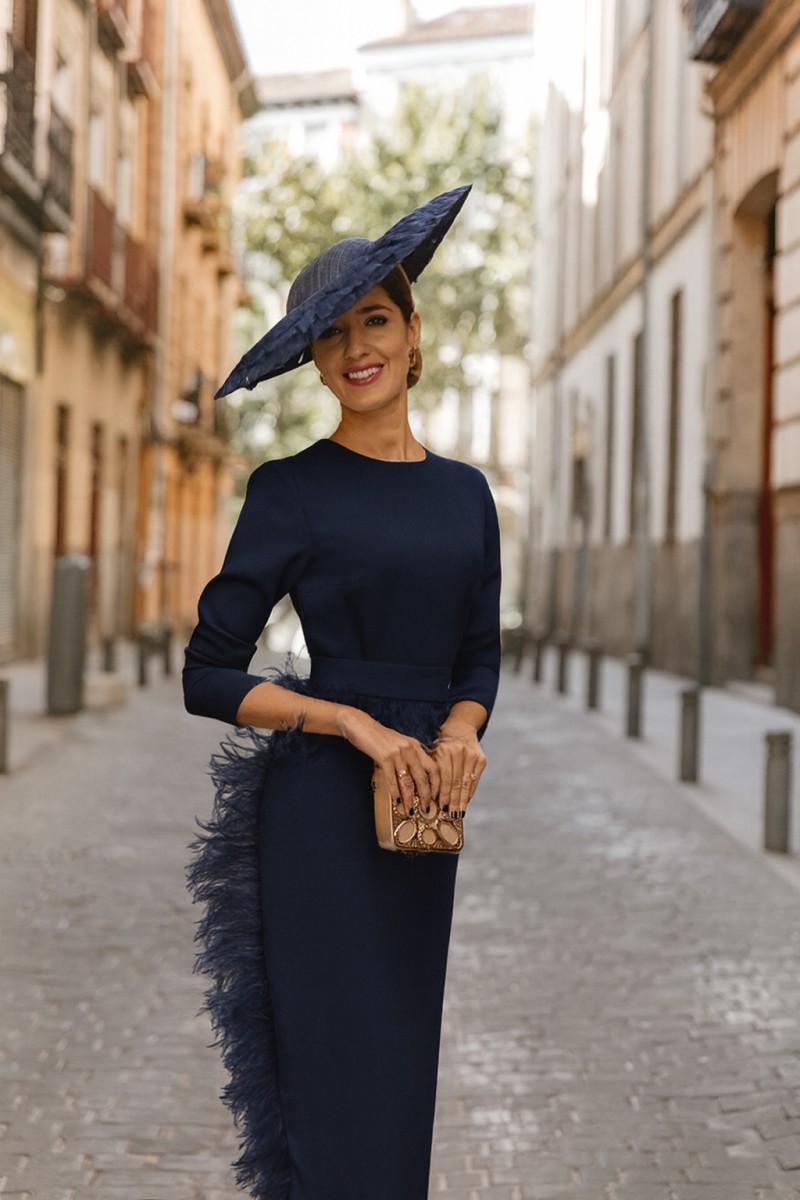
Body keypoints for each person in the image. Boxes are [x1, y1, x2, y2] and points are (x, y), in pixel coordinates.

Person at [183, 185, 502, 1200]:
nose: (356, 347)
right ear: (315, 363)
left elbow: (477, 658)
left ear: (412, 332)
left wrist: (461, 731)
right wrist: (349, 721)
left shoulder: (467, 496)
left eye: (374, 320)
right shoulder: (289, 489)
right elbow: (207, 674)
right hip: (321, 813)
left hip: (423, 815)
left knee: (398, 1075)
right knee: (327, 1076)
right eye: (332, 334)